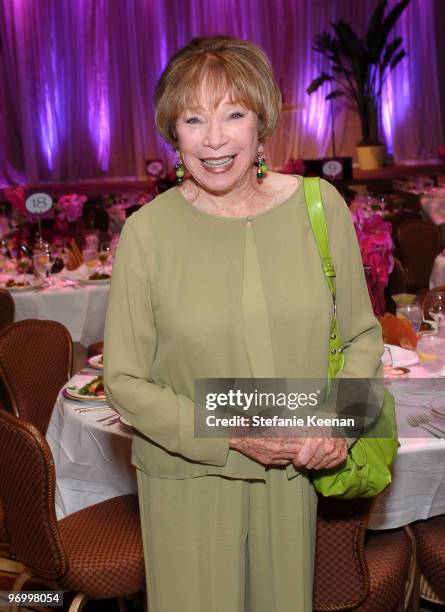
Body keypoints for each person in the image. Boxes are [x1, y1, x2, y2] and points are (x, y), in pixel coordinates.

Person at [104, 36, 384, 612]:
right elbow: (125, 381)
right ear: (172, 133)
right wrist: (234, 429)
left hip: (292, 472)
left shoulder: (319, 206)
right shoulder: (147, 233)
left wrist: (340, 423)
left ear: (262, 123)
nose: (213, 139)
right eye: (193, 119)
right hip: (191, 475)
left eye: (233, 114)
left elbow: (360, 335)